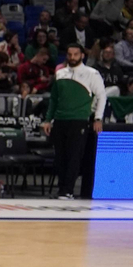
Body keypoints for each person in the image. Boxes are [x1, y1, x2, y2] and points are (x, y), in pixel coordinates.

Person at [41, 44, 106, 199]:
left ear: (82, 55)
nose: (72, 57)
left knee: (74, 156)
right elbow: (54, 99)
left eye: (75, 54)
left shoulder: (92, 74)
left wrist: (98, 118)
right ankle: (61, 188)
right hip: (60, 120)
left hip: (79, 120)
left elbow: (101, 96)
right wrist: (48, 120)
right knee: (60, 157)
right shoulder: (60, 73)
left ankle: (67, 190)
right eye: (69, 54)